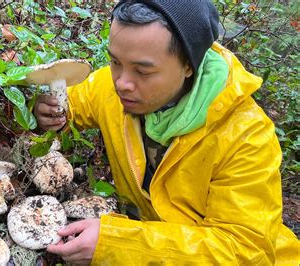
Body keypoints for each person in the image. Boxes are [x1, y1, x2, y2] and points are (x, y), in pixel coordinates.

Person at [34, 1, 299, 265]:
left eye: (143, 71)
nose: (122, 83)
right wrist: (50, 111)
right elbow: (72, 107)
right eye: (115, 61)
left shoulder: (247, 136)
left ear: (188, 65)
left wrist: (118, 243)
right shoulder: (111, 87)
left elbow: (243, 251)